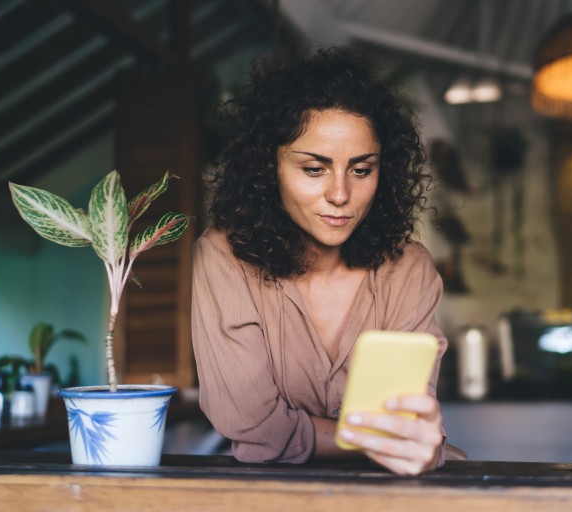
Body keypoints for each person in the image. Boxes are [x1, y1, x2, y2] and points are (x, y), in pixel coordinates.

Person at [191, 47, 450, 475]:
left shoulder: (409, 269)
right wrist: (384, 441)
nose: (341, 194)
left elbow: (404, 427)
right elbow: (252, 428)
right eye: (314, 169)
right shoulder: (224, 257)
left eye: (362, 170)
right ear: (267, 167)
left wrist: (406, 439)